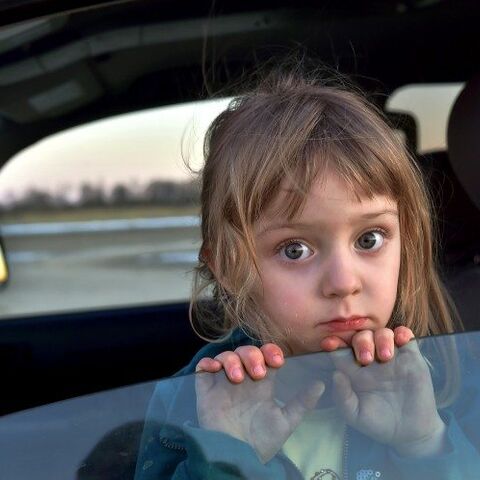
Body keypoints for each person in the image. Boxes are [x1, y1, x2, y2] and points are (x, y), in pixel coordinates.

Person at [134, 67, 479, 480]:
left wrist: (424, 443)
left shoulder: (449, 381)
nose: (344, 283)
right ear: (226, 266)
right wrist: (229, 458)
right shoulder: (192, 404)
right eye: (294, 250)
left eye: (369, 239)